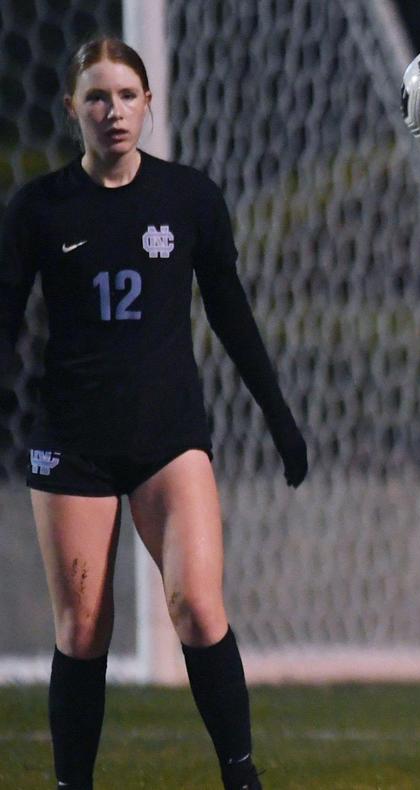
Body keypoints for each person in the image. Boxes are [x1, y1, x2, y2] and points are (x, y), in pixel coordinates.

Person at [0, 38, 307, 790]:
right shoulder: (39, 207)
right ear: (71, 108)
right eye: (97, 97)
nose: (113, 111)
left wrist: (278, 416)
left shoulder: (189, 198)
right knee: (83, 628)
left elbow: (231, 314)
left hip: (169, 437)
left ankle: (241, 776)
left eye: (126, 96)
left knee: (197, 607)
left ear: (148, 103)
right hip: (71, 441)